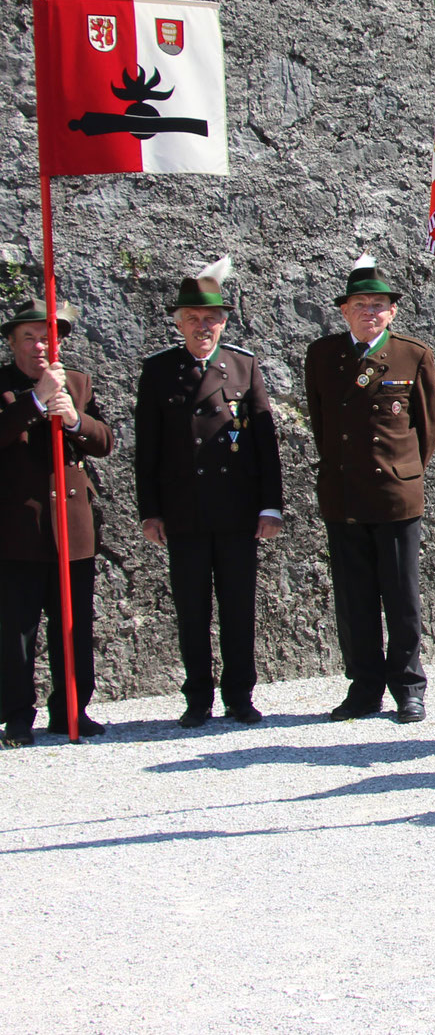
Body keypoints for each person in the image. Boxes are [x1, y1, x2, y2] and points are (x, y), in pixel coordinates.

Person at [134, 257, 285, 729]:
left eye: (211, 318)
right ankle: (197, 695)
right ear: (179, 322)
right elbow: (148, 449)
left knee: (239, 607)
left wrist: (270, 506)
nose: (203, 326)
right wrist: (150, 512)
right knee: (192, 609)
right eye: (193, 319)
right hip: (186, 512)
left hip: (238, 511)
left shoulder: (243, 366)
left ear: (224, 321)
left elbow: (264, 442)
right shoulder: (159, 372)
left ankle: (239, 694)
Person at [305, 256, 435, 724]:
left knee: (401, 596)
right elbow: (322, 425)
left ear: (393, 312)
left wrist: (404, 473)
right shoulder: (323, 356)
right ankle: (364, 687)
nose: (370, 312)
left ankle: (408, 686)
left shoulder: (412, 355)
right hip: (344, 495)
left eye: (379, 304)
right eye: (360, 304)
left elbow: (426, 429)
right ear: (344, 311)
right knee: (354, 598)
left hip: (395, 494)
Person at [0, 299, 113, 745]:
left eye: (47, 336)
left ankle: (71, 707)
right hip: (19, 527)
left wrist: (72, 419)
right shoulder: (4, 386)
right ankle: (15, 715)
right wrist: (35, 399)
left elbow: (104, 440)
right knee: (17, 628)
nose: (39, 345)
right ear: (12, 343)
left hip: (72, 525)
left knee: (73, 624)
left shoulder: (79, 382)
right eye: (28, 337)